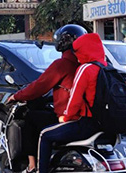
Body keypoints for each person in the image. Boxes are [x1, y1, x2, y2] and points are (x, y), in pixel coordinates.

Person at [5, 24, 85, 173]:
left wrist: (16, 96)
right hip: (90, 118)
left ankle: (33, 166)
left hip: (69, 118)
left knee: (31, 119)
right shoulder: (87, 64)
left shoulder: (63, 64)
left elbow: (39, 86)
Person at [37, 33, 107, 173]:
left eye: (78, 52)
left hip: (86, 124)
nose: (77, 56)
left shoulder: (85, 69)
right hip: (105, 124)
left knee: (45, 135)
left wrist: (65, 117)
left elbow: (74, 100)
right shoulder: (107, 68)